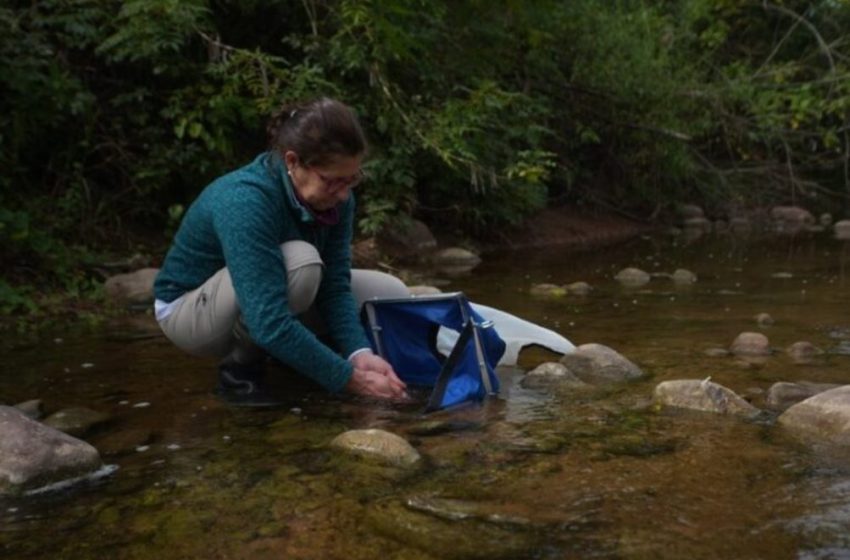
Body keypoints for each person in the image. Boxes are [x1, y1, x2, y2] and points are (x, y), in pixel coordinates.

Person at [153, 97, 410, 406]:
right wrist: (351, 380)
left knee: (390, 292)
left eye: (352, 179)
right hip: (189, 311)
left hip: (262, 292)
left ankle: (294, 356)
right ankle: (240, 372)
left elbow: (335, 284)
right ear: (292, 162)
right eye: (332, 181)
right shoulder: (246, 200)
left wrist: (359, 354)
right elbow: (268, 321)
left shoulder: (339, 199)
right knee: (301, 263)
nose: (343, 193)